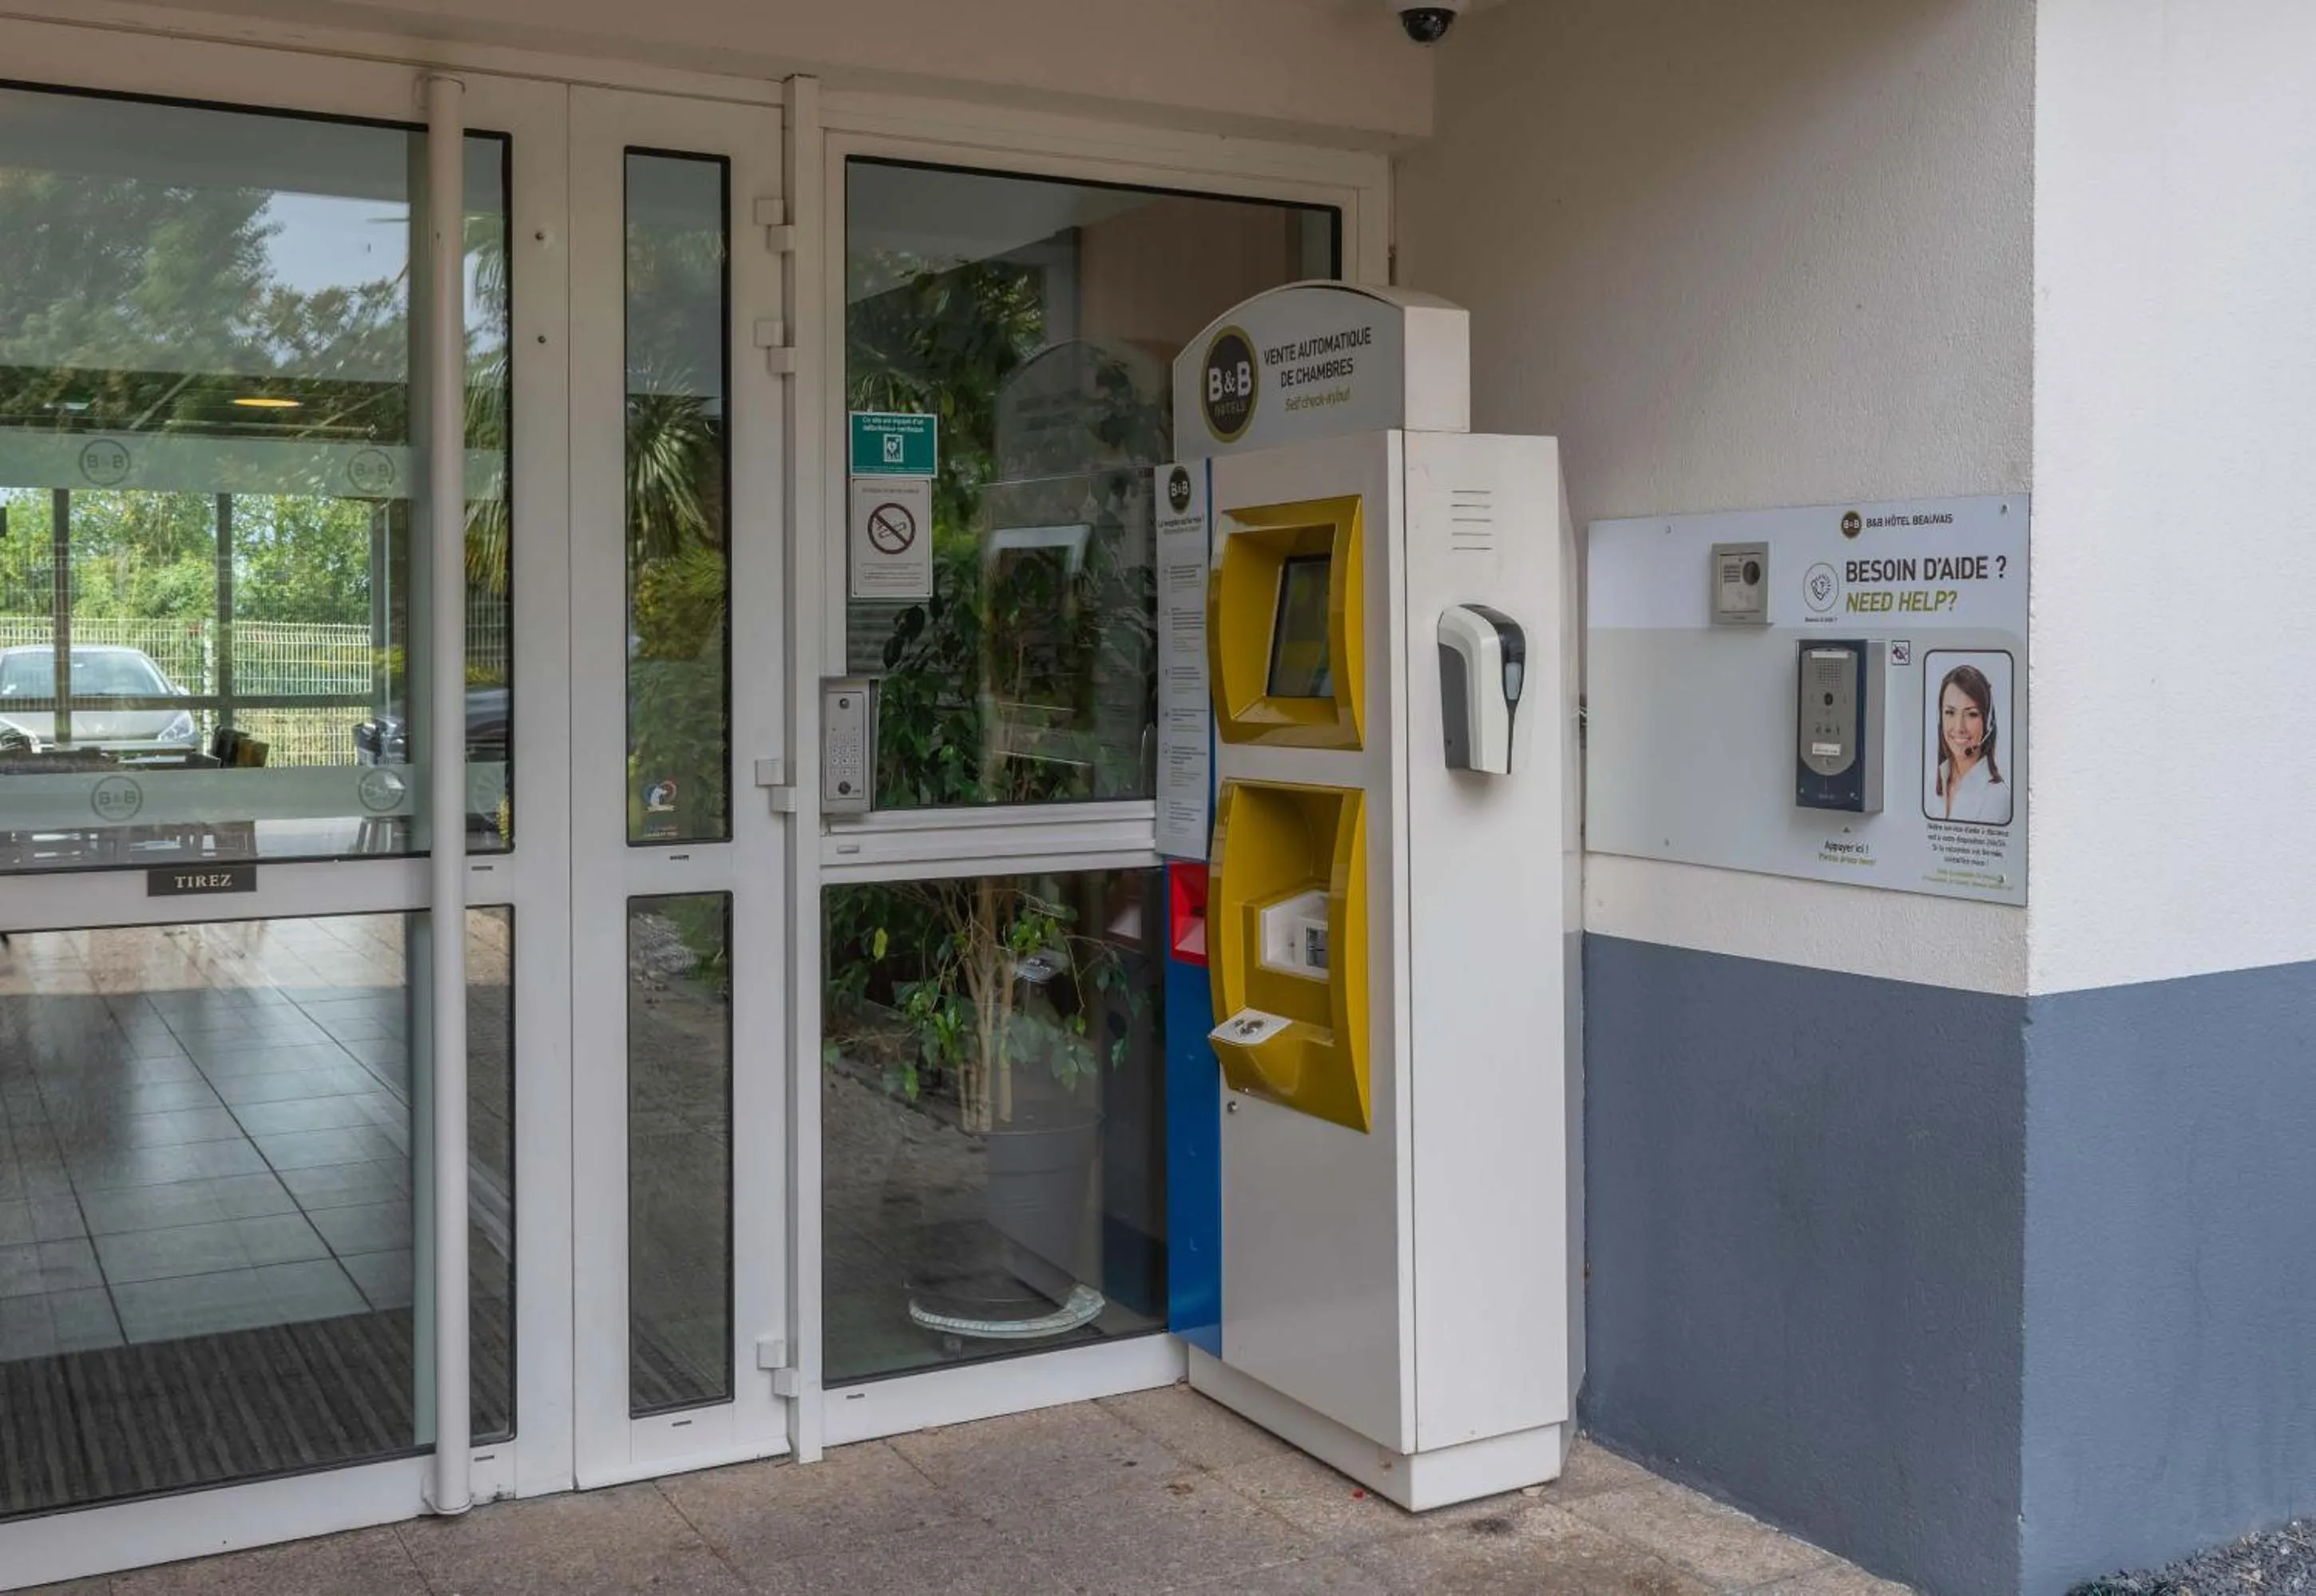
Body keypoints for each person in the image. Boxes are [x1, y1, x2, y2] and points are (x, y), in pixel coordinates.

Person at [1931, 663, 2010, 825]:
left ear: (1987, 723)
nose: (1959, 727)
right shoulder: (1933, 785)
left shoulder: (1996, 798)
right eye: (1950, 712)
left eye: (1971, 714)